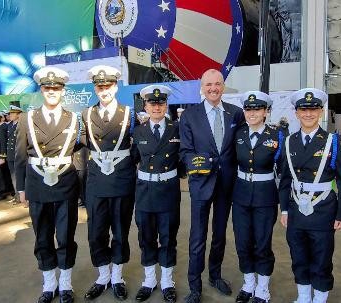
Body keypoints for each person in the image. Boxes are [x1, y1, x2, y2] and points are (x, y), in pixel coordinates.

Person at [279, 88, 341, 303]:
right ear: (296, 112)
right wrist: (284, 209)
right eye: (304, 109)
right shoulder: (288, 142)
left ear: (321, 111)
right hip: (296, 210)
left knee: (321, 259)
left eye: (313, 109)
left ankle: (320, 298)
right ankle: (303, 297)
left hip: (323, 211)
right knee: (298, 256)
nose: (308, 114)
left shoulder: (333, 141)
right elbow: (285, 181)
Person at [15, 66, 80, 303]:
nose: (52, 91)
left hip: (65, 183)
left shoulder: (73, 118)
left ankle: (65, 284)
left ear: (63, 91)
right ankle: (49, 283)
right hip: (37, 184)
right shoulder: (27, 118)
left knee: (65, 236)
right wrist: (20, 188)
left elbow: (80, 148)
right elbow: (20, 156)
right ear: (41, 90)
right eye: (47, 87)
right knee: (42, 236)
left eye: (56, 88)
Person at [179, 69, 244, 303]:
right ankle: (194, 286)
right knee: (197, 237)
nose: (213, 88)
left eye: (217, 84)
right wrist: (196, 162)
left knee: (219, 235)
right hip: (200, 184)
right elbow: (185, 151)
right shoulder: (189, 115)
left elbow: (241, 147)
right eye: (208, 85)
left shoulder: (236, 114)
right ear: (202, 87)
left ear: (223, 87)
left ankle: (215, 275)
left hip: (227, 184)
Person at [82, 65, 135, 301]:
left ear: (116, 86)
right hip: (96, 180)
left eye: (108, 86)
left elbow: (139, 145)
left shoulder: (129, 113)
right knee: (96, 232)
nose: (104, 90)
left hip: (121, 179)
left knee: (120, 230)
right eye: (99, 86)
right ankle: (103, 275)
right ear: (95, 88)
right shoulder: (86, 114)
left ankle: (118, 277)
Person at [131, 85, 181, 303]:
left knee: (168, 238)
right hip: (144, 192)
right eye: (152, 103)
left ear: (166, 105)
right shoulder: (139, 131)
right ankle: (149, 280)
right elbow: (133, 158)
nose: (157, 107)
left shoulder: (176, 129)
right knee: (146, 237)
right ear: (146, 106)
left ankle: (167, 281)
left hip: (168, 191)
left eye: (160, 103)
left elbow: (184, 158)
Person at [232, 91, 283, 303]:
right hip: (241, 196)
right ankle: (248, 284)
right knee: (243, 242)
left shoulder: (277, 136)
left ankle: (262, 288)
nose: (252, 113)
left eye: (257, 109)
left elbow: (283, 171)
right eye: (248, 109)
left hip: (265, 197)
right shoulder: (239, 134)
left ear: (266, 112)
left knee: (262, 243)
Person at [6, 105, 23, 204]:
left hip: (18, 154)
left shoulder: (21, 125)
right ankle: (17, 196)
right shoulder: (9, 125)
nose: (10, 115)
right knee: (13, 176)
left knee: (20, 176)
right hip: (10, 155)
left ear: (18, 114)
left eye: (12, 113)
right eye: (10, 113)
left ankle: (23, 196)